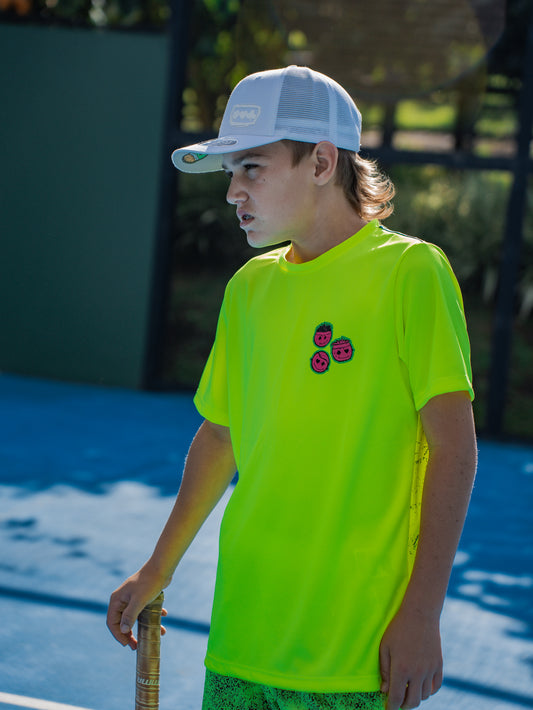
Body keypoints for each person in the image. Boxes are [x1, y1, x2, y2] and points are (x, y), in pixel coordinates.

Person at [107, 66, 477, 710]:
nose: (233, 192)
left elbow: (454, 451)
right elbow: (221, 434)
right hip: (242, 635)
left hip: (353, 653)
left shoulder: (411, 273)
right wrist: (157, 567)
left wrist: (422, 614)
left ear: (322, 162)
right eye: (231, 174)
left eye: (252, 167)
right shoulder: (249, 288)